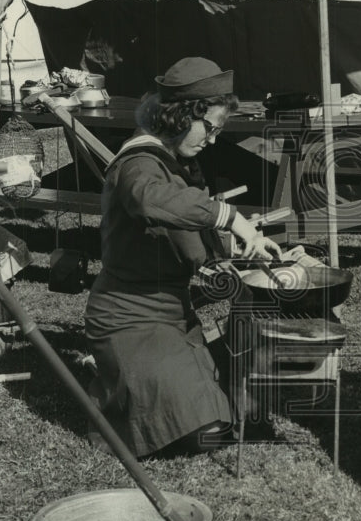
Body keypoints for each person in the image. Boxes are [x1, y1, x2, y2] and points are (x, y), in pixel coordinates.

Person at [84, 57, 281, 458]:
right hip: (128, 318)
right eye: (210, 128)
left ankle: (145, 379)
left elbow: (185, 236)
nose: (211, 140)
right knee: (204, 430)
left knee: (236, 414)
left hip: (173, 317)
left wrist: (234, 249)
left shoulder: (176, 166)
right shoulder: (139, 164)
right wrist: (230, 218)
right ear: (180, 115)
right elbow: (150, 201)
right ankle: (109, 382)